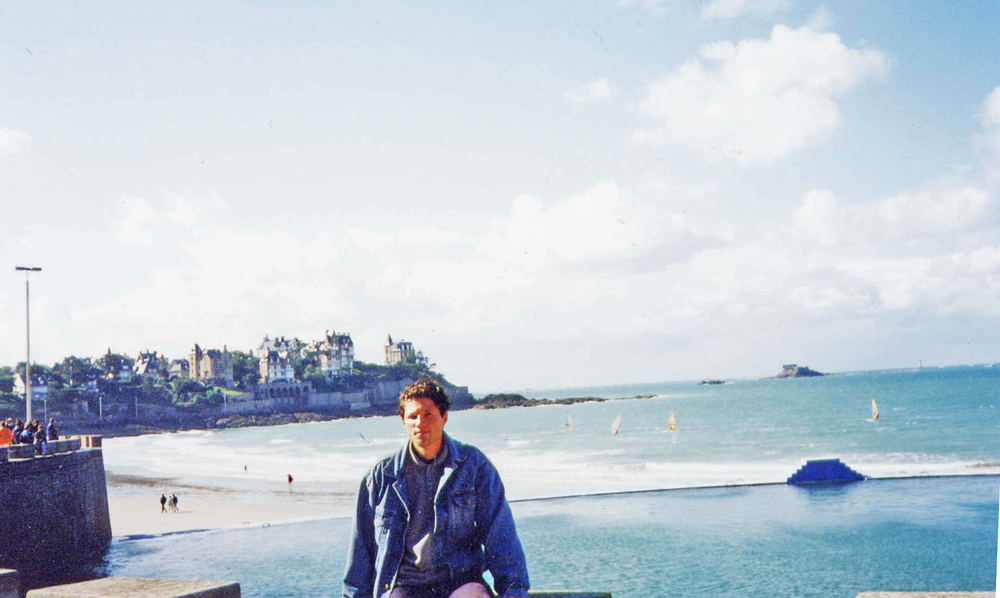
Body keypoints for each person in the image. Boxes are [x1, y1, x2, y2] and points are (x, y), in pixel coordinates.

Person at [343, 379, 529, 598]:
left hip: (460, 581)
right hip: (403, 584)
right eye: (413, 416)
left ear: (444, 417)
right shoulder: (381, 475)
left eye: (428, 414)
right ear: (403, 421)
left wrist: (513, 590)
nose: (420, 423)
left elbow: (500, 534)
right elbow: (361, 548)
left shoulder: (474, 466)